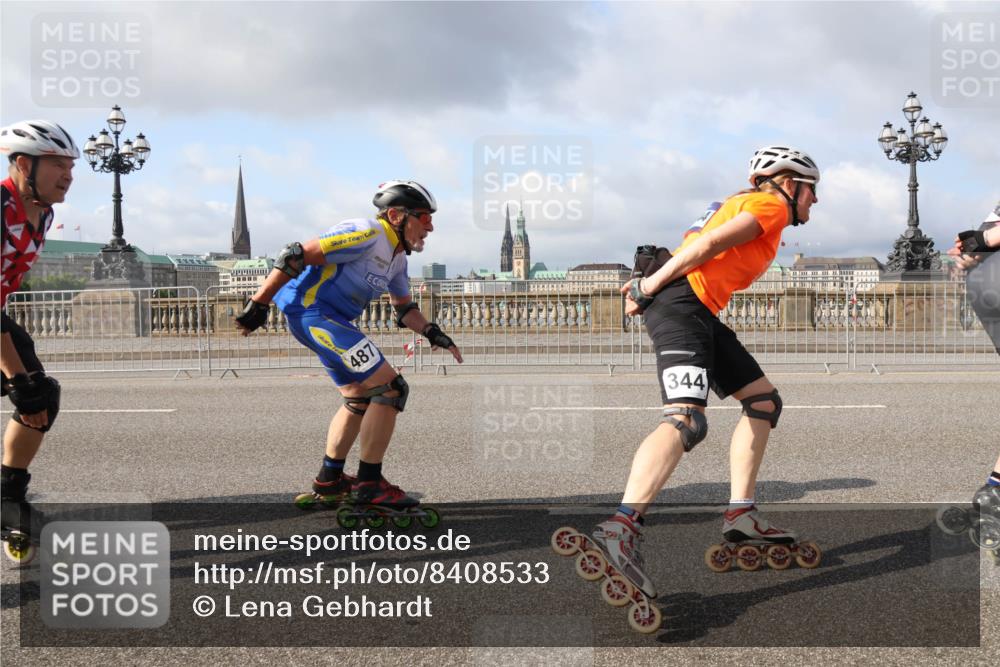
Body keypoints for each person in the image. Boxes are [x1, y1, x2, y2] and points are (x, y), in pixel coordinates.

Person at [595, 145, 821, 597]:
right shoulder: (769, 204)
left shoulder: (734, 202)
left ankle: (742, 513)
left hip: (698, 310)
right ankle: (621, 527)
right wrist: (649, 285)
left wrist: (650, 285)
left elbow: (696, 244)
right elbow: (709, 245)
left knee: (763, 401)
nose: (815, 201)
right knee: (685, 417)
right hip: (684, 306)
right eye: (812, 191)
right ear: (789, 183)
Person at [235, 180, 462, 514]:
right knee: (391, 389)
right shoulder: (367, 232)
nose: (430, 226)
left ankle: (330, 479)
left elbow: (403, 309)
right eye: (424, 217)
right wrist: (259, 303)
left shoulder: (398, 258)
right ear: (397, 215)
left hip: (333, 321)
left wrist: (432, 332)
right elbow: (294, 254)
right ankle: (370, 484)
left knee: (358, 396)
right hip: (314, 315)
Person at [0, 120, 78, 555]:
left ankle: (8, 500)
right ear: (23, 164)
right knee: (27, 390)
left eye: (71, 166)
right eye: (57, 165)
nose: (68, 175)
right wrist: (15, 377)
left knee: (41, 399)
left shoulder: (43, 213)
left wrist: (23, 381)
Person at [947, 200, 1000, 540]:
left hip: (985, 283)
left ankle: (994, 491)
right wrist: (985, 241)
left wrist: (975, 244)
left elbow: (966, 252)